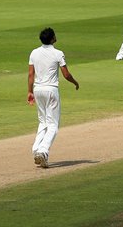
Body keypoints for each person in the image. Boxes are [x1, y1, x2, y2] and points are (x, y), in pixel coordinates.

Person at [27, 28, 80, 168]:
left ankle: (36, 149)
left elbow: (31, 74)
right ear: (52, 39)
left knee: (43, 121)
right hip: (51, 90)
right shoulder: (58, 53)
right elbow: (66, 75)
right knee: (53, 125)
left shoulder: (34, 52)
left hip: (38, 90)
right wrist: (75, 83)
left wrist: (29, 92)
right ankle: (43, 151)